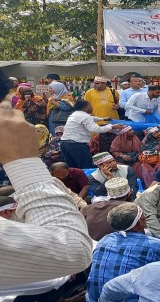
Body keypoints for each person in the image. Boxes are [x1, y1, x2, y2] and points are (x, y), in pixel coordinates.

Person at [0, 104, 92, 287]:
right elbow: (74, 249)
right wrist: (24, 163)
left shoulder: (74, 175)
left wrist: (82, 206)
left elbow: (77, 194)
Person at [86, 202, 160, 302]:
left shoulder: (105, 240)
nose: (145, 219)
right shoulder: (155, 245)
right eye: (143, 217)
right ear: (139, 222)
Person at [60, 100, 123, 168]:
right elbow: (95, 129)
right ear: (85, 108)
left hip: (64, 144)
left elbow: (91, 118)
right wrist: (111, 126)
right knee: (86, 166)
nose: (91, 107)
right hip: (77, 145)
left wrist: (102, 119)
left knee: (72, 168)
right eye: (90, 106)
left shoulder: (74, 114)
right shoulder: (86, 116)